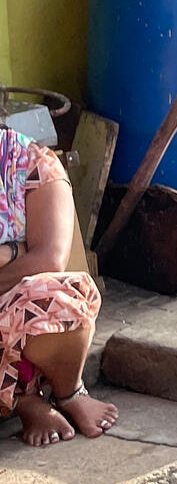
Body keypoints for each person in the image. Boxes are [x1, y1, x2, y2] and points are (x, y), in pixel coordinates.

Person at [1, 129, 117, 446]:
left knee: (60, 296)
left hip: (13, 303)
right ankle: (25, 403)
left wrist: (8, 255)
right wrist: (17, 250)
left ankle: (68, 391)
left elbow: (49, 258)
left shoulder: (31, 163)